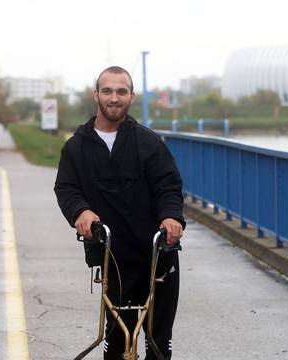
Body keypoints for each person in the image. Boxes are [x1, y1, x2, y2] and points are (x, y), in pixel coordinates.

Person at [54, 66, 184, 360]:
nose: (115, 98)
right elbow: (67, 188)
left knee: (158, 343)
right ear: (96, 95)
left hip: (155, 254)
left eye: (121, 92)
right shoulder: (76, 148)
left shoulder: (148, 143)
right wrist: (82, 212)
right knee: (115, 342)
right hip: (112, 255)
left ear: (132, 97)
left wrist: (171, 217)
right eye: (108, 91)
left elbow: (169, 186)